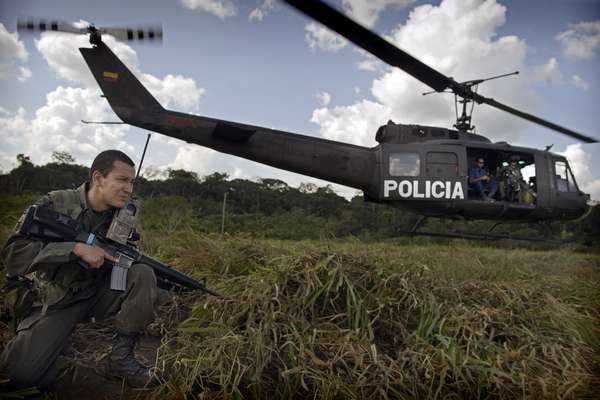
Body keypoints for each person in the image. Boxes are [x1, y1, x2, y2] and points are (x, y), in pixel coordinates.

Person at [0, 150, 158, 389]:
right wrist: (74, 249)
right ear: (98, 178)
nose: (129, 189)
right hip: (57, 300)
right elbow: (13, 254)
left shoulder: (125, 216)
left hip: (96, 293)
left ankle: (119, 358)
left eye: (132, 182)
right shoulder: (56, 204)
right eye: (122, 180)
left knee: (143, 273)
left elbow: (126, 265)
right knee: (20, 376)